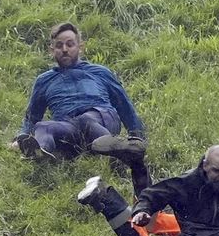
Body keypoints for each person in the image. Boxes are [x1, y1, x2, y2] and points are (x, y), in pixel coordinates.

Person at [13, 22, 150, 193]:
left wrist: (137, 134)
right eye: (59, 45)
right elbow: (32, 117)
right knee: (43, 126)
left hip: (101, 117)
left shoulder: (100, 72)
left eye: (70, 44)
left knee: (86, 120)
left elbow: (124, 105)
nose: (64, 49)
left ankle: (119, 152)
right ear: (51, 50)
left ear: (80, 47)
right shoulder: (44, 81)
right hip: (69, 127)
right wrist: (20, 138)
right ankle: (40, 154)